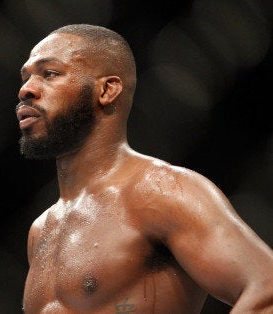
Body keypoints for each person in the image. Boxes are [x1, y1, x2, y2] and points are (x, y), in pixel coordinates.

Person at [16, 24, 273, 313]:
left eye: (49, 74)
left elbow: (266, 290)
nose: (26, 90)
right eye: (26, 77)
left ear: (107, 90)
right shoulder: (42, 229)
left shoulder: (159, 191)